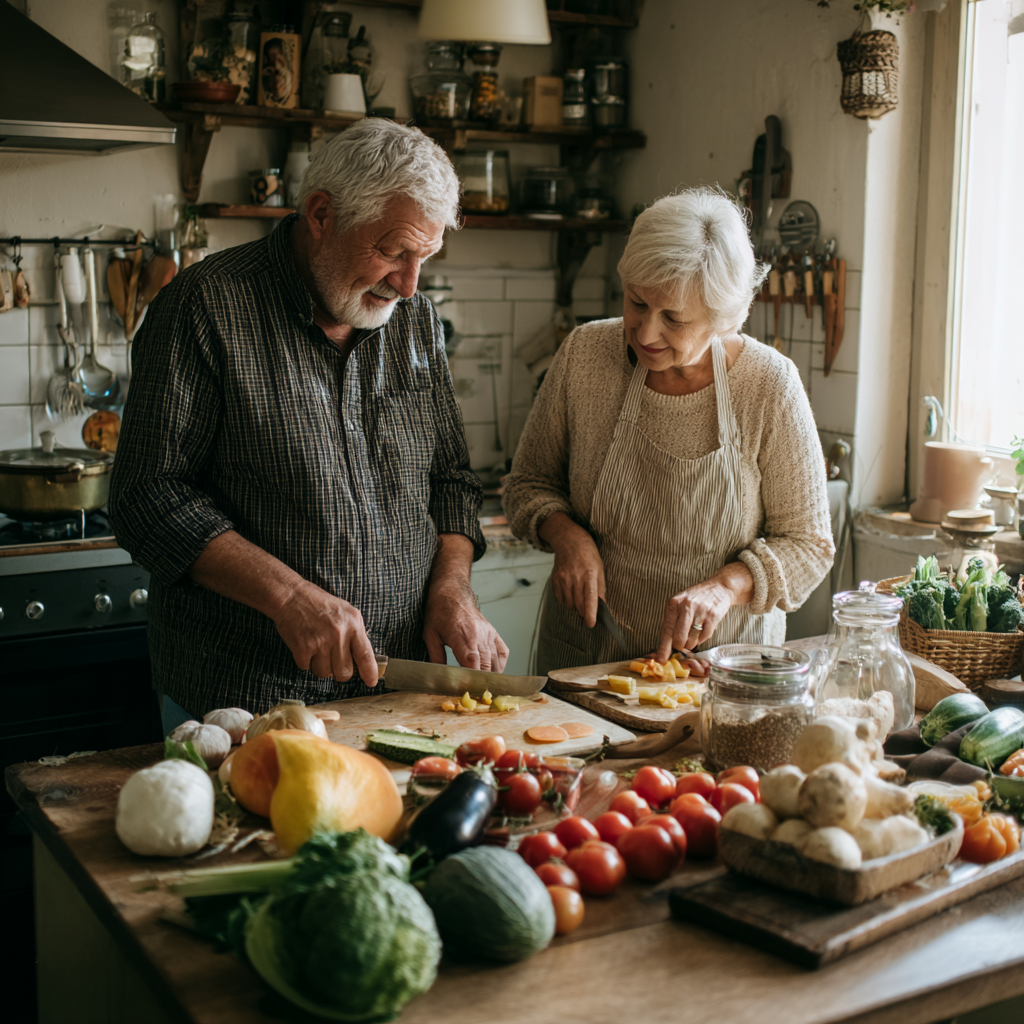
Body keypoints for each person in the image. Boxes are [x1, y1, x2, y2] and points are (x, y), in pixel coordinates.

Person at [109, 119, 507, 730]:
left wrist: (452, 589)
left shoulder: (415, 320)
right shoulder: (204, 306)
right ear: (321, 213)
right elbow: (148, 497)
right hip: (245, 700)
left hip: (397, 689)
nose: (408, 284)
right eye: (393, 251)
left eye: (423, 258)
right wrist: (290, 597)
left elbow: (451, 480)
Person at [503, 187, 834, 674]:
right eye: (637, 303)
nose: (645, 333)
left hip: (720, 668)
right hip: (585, 658)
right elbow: (527, 485)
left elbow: (808, 544)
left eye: (674, 318)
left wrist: (727, 586)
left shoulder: (768, 384)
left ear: (722, 319)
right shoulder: (585, 355)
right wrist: (567, 536)